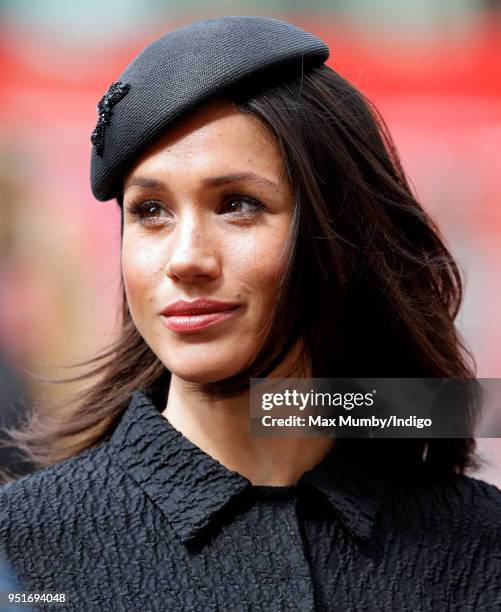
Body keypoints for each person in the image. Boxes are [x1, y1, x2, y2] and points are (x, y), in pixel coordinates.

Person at [0, 15, 500, 612]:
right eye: (151, 211)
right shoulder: (22, 550)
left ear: (341, 237)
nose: (186, 260)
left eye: (238, 205)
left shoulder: (480, 547)